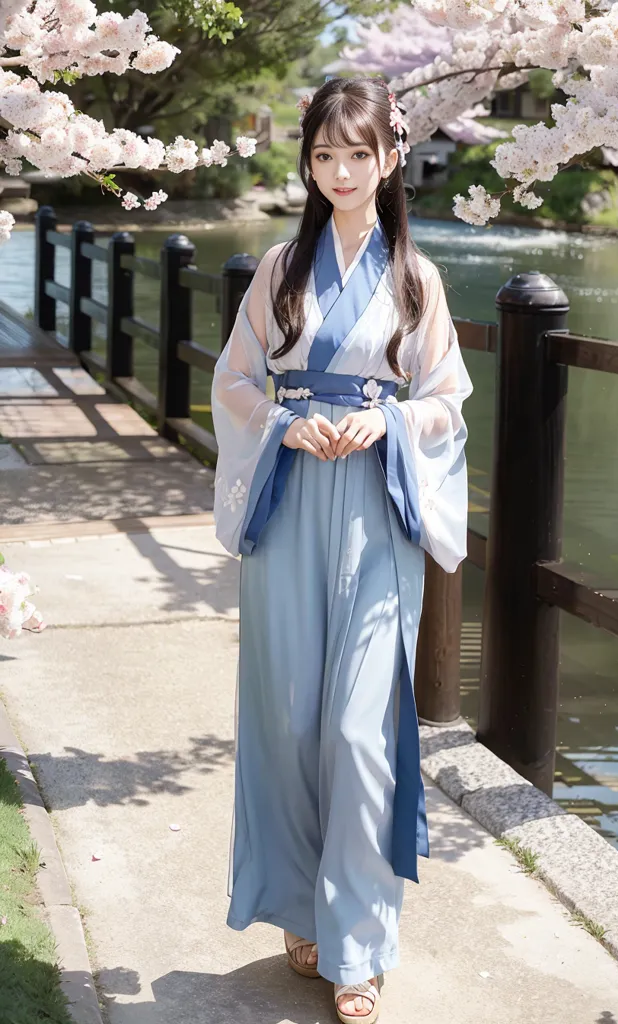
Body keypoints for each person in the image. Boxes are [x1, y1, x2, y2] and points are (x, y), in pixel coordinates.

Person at [211, 75, 472, 1023]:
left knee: (361, 733)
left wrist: (388, 423)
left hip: (372, 507)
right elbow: (234, 379)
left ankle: (358, 944)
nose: (340, 172)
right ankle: (297, 906)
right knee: (286, 718)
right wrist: (283, 421)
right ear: (309, 163)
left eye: (358, 154)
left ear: (390, 159)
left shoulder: (416, 278)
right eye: (323, 155)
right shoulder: (281, 266)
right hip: (288, 504)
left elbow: (447, 398)